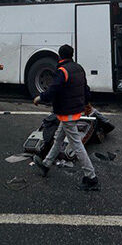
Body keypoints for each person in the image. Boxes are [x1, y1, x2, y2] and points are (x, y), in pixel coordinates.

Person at [32, 44, 99, 190]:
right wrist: (87, 103)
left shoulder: (61, 71)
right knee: (59, 137)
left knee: (76, 144)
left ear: (60, 56)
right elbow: (85, 88)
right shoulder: (78, 68)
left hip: (67, 112)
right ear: (71, 55)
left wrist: (39, 98)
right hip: (75, 110)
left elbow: (52, 91)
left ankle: (91, 177)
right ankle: (46, 164)